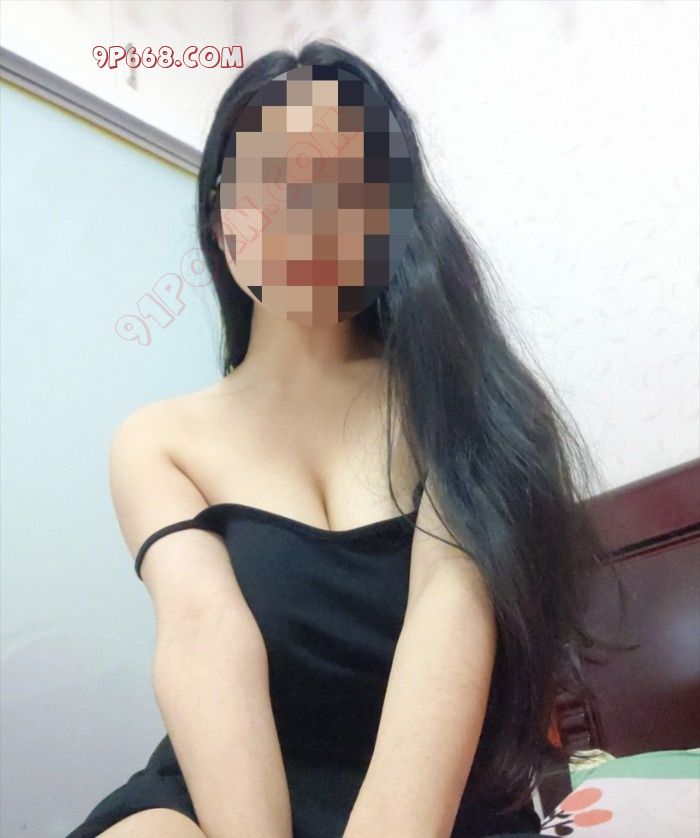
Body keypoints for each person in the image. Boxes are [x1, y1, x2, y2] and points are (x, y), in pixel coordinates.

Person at [66, 40, 626, 838]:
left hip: (435, 807)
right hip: (227, 800)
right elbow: (203, 637)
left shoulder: (462, 401)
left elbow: (448, 624)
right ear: (221, 224)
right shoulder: (160, 439)